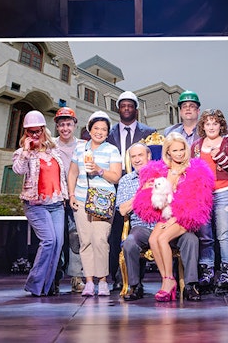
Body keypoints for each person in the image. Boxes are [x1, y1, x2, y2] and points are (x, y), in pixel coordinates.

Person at [133, 132, 214, 302]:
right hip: (166, 214)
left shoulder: (194, 170)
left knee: (162, 239)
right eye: (175, 150)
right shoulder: (163, 171)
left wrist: (173, 220)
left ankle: (169, 282)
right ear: (168, 152)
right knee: (153, 239)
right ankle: (167, 280)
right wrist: (147, 189)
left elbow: (196, 204)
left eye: (182, 149)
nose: (179, 154)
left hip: (185, 216)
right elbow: (155, 200)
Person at [118, 143, 202, 302]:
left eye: (140, 155)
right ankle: (135, 286)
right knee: (129, 242)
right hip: (141, 226)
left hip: (168, 223)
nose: (137, 159)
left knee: (191, 239)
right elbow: (122, 210)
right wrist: (141, 192)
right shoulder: (126, 181)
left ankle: (190, 286)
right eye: (133, 156)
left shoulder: (162, 173)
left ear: (149, 156)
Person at [12, 110, 69, 297]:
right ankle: (35, 285)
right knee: (49, 241)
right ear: (26, 132)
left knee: (58, 243)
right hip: (36, 204)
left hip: (57, 204)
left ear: (44, 130)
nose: (35, 134)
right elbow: (18, 170)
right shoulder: (23, 153)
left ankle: (47, 286)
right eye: (31, 131)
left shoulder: (54, 150)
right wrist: (26, 151)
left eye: (38, 131)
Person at [67, 111, 123, 297]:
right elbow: (72, 173)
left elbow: (116, 177)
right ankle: (89, 282)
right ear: (89, 130)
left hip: (103, 200)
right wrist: (71, 194)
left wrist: (99, 170)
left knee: (100, 240)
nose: (99, 132)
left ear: (107, 133)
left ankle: (103, 280)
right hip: (81, 199)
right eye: (96, 128)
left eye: (104, 129)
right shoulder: (80, 149)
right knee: (85, 241)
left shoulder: (112, 150)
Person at [105, 90, 155, 290]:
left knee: (137, 231)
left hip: (142, 184)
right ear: (118, 109)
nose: (126, 109)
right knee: (116, 234)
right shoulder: (109, 134)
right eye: (123, 106)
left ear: (136, 109)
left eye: (130, 106)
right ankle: (118, 277)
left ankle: (136, 280)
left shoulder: (150, 132)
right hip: (115, 186)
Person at [192, 109, 228, 294]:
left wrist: (219, 156)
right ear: (203, 126)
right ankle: (207, 272)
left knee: (224, 234)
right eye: (208, 123)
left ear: (221, 125)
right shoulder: (196, 146)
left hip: (224, 192)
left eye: (215, 123)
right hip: (203, 195)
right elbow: (191, 170)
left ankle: (227, 273)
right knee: (205, 236)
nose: (211, 127)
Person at [51, 107, 84, 293]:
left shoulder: (83, 146)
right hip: (55, 199)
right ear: (57, 127)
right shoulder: (50, 146)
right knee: (56, 239)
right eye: (61, 125)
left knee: (75, 237)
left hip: (76, 198)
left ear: (74, 125)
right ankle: (54, 278)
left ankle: (76, 278)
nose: (65, 128)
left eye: (68, 124)